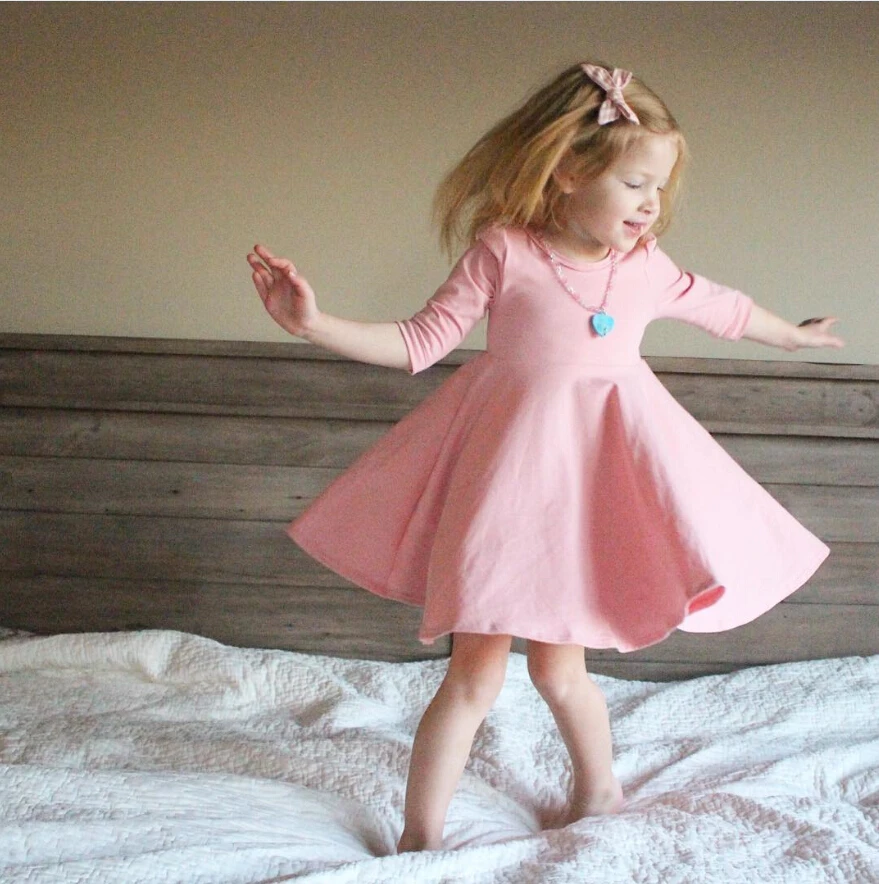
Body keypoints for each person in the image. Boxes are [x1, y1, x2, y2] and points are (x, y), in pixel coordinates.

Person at [247, 62, 844, 854]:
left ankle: (598, 792)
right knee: (472, 676)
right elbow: (420, 342)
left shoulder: (644, 267)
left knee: (560, 672)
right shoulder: (505, 251)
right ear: (566, 172)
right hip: (502, 488)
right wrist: (313, 325)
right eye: (633, 184)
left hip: (584, 492)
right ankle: (421, 836)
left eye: (658, 188)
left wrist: (792, 335)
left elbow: (722, 308)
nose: (650, 205)